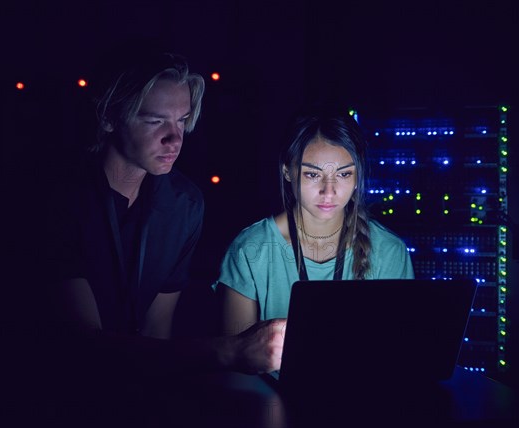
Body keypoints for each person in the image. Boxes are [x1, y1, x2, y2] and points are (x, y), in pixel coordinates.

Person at [43, 51, 285, 377]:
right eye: (155, 121)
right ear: (108, 117)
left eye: (182, 120)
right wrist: (227, 352)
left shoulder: (183, 205)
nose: (175, 138)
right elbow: (82, 345)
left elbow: (158, 331)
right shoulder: (61, 199)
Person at [213, 107, 415, 336]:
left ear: (358, 176)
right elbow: (236, 360)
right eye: (313, 174)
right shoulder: (250, 250)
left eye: (343, 174)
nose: (328, 191)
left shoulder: (389, 250)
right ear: (287, 171)